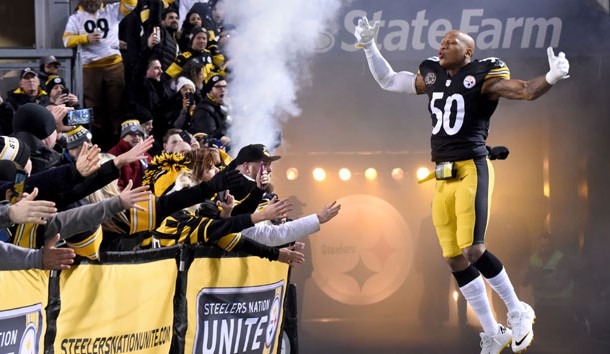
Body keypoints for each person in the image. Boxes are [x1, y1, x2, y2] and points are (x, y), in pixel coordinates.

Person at [354, 17, 570, 354]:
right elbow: (387, 80)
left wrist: (553, 77)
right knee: (454, 258)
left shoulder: (483, 77)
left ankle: (517, 310)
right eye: (441, 42)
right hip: (441, 175)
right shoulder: (433, 75)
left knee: (473, 249)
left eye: (450, 42)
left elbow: (525, 90)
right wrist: (369, 47)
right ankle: (493, 331)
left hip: (472, 168)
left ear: (468, 51)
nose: (441, 46)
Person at [63, 0, 137, 150]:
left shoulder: (112, 10)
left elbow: (131, 4)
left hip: (113, 63)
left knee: (117, 104)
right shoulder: (76, 17)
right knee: (93, 107)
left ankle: (118, 142)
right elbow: (67, 40)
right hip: (89, 66)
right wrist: (85, 38)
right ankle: (97, 142)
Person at [182, 71, 230, 147]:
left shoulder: (222, 106)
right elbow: (208, 136)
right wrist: (229, 124)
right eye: (218, 87)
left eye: (225, 86)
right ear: (210, 90)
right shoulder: (203, 110)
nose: (223, 90)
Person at [0, 68, 49, 136]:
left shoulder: (47, 99)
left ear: (38, 81)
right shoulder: (12, 101)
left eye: (33, 77)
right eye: (26, 78)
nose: (31, 80)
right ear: (21, 84)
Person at [108, 120, 153, 189]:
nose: (137, 137)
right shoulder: (113, 154)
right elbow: (113, 184)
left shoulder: (145, 155)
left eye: (139, 135)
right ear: (123, 137)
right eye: (133, 134)